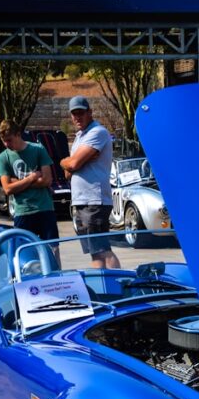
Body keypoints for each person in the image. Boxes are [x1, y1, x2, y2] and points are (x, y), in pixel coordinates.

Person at [60, 96, 121, 269]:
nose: (77, 117)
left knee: (103, 250)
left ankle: (118, 287)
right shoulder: (80, 137)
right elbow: (67, 172)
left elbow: (72, 164)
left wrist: (68, 161)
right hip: (82, 201)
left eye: (81, 113)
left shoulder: (98, 132)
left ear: (90, 112)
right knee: (95, 252)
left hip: (94, 200)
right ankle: (104, 290)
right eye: (74, 114)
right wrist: (72, 161)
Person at [0, 120, 59, 242]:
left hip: (44, 208)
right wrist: (32, 177)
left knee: (52, 250)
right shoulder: (4, 157)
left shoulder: (38, 149)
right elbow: (7, 189)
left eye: (9, 140)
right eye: (3, 140)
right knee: (24, 251)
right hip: (22, 211)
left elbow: (47, 180)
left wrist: (17, 182)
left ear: (18, 134)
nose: (6, 144)